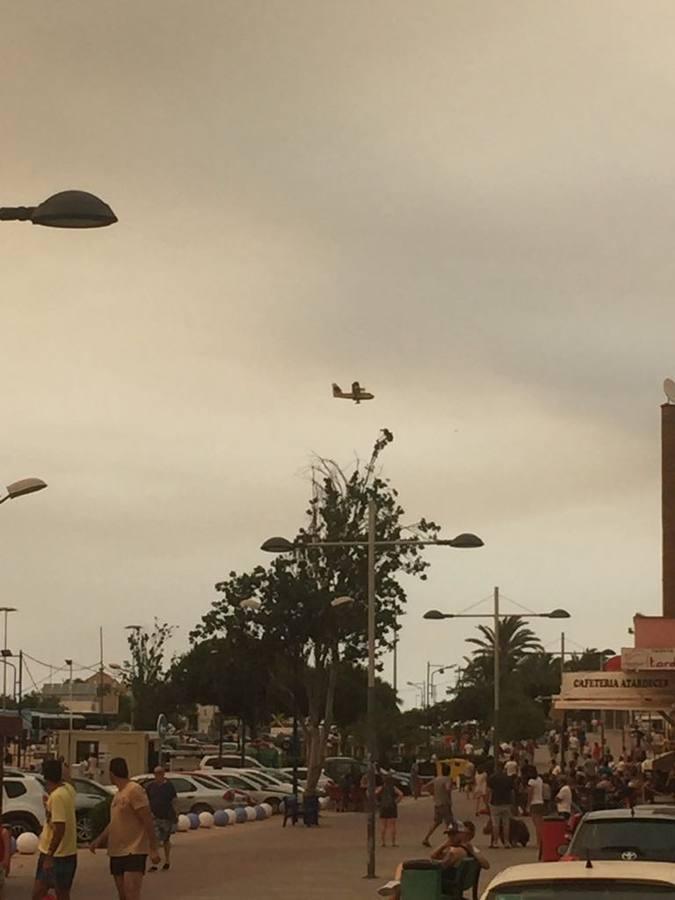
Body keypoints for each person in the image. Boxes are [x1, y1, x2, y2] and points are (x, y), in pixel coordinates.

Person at [90, 756, 160, 900]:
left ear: (111, 774)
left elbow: (147, 819)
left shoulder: (134, 790)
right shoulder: (118, 795)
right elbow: (114, 822)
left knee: (131, 894)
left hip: (133, 851)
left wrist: (153, 848)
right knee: (122, 895)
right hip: (116, 851)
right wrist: (99, 840)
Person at [377, 820, 487, 898]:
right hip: (452, 882)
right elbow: (433, 855)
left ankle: (396, 883)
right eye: (449, 835)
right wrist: (445, 845)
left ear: (462, 834)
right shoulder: (465, 850)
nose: (450, 837)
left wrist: (427, 866)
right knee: (401, 882)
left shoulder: (455, 851)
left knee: (403, 867)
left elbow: (441, 866)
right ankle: (396, 884)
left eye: (454, 835)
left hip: (440, 882)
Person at [32, 758, 77, 900]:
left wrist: (49, 856)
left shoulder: (57, 796)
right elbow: (70, 781)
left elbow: (59, 828)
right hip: (67, 853)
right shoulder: (67, 790)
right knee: (61, 893)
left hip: (57, 855)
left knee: (41, 893)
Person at [144, 766, 177, 871]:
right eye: (155, 773)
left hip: (167, 817)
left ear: (163, 774)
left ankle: (167, 861)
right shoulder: (151, 787)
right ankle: (154, 863)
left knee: (166, 840)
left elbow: (174, 800)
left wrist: (176, 813)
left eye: (159, 773)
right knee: (155, 839)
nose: (157, 776)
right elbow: (147, 801)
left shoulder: (169, 786)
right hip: (154, 817)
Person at [422, 763, 453, 847]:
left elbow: (426, 786)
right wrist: (449, 790)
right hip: (445, 804)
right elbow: (447, 788)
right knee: (450, 823)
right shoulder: (448, 779)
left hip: (437, 804)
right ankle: (451, 840)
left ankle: (426, 838)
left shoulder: (437, 779)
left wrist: (432, 793)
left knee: (436, 822)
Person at [487, 762, 514, 849]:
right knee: (506, 824)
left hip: (495, 802)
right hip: (506, 802)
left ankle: (495, 842)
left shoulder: (492, 778)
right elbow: (512, 791)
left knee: (495, 824)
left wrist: (488, 802)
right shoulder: (508, 778)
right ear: (504, 769)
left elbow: (489, 790)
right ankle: (506, 842)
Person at [376, 773, 403, 847]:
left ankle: (383, 842)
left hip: (383, 807)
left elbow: (374, 793)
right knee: (392, 825)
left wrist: (378, 802)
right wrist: (396, 801)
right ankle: (393, 842)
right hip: (392, 807)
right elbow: (401, 794)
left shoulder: (381, 787)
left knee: (383, 825)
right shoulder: (393, 787)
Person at [527, 770, 545, 855]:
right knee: (540, 824)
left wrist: (528, 804)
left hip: (534, 803)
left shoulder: (531, 781)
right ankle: (541, 840)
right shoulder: (540, 780)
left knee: (537, 825)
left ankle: (539, 842)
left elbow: (530, 793)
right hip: (541, 802)